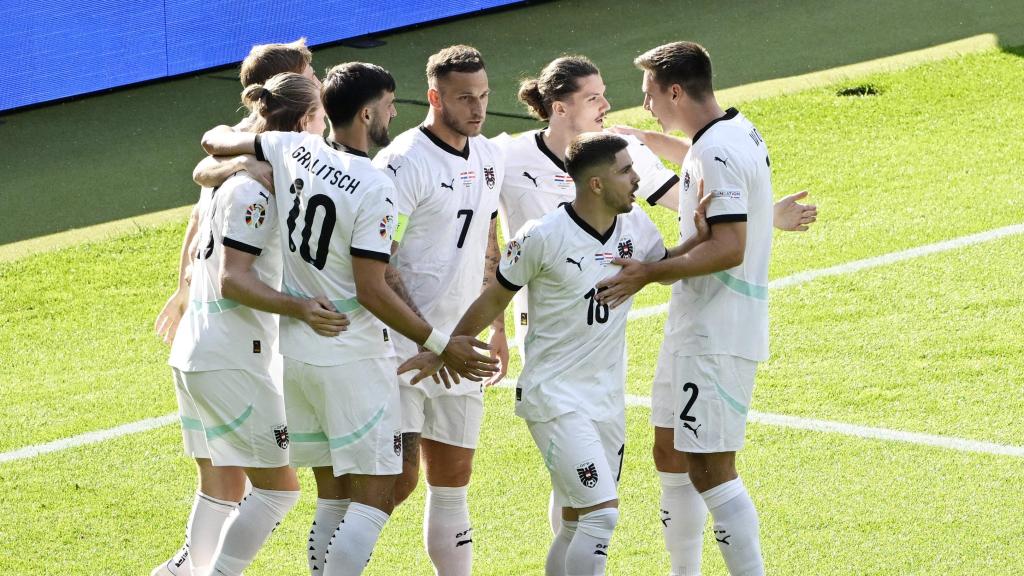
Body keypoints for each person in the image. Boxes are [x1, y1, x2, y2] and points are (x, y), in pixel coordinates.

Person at [497, 54, 817, 535]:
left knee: (596, 480)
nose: (609, 103)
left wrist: (763, 215)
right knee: (584, 477)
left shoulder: (624, 147)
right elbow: (470, 217)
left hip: (607, 340)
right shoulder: (508, 155)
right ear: (559, 108)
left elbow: (687, 199)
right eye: (593, 97)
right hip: (549, 331)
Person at [201, 61, 497, 576]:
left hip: (299, 354)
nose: (391, 113)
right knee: (375, 494)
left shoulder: (296, 150)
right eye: (387, 104)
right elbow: (372, 290)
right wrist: (440, 340)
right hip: (352, 356)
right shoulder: (373, 186)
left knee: (333, 497)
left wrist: (242, 165)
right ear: (366, 112)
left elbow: (216, 141)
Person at [401, 132, 710, 575]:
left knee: (574, 523)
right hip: (554, 399)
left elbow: (657, 268)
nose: (636, 177)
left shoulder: (637, 226)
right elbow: (494, 297)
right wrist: (445, 348)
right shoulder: (542, 236)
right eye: (625, 170)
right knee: (602, 515)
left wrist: (696, 242)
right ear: (597, 184)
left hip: (606, 400)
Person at [151, 37, 331, 576]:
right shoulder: (260, 173)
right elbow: (236, 276)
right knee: (278, 490)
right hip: (234, 351)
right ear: (294, 90)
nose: (319, 81)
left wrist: (184, 287)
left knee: (224, 482)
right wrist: (303, 308)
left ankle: (181, 571)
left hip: (198, 346)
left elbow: (198, 200)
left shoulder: (232, 151)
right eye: (312, 75)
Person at [597, 41, 775, 576]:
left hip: (720, 332)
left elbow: (730, 246)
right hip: (693, 324)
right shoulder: (730, 133)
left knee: (711, 467)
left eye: (649, 93)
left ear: (675, 91)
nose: (645, 103)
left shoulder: (717, 150)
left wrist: (651, 271)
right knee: (670, 450)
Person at [370, 45, 507, 576]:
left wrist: (495, 330)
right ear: (434, 97)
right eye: (464, 98)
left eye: (483, 96)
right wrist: (430, 340)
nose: (477, 109)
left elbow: (490, 244)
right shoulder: (403, 163)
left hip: (460, 343)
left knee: (452, 479)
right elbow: (380, 262)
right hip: (402, 348)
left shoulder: (489, 155)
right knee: (394, 482)